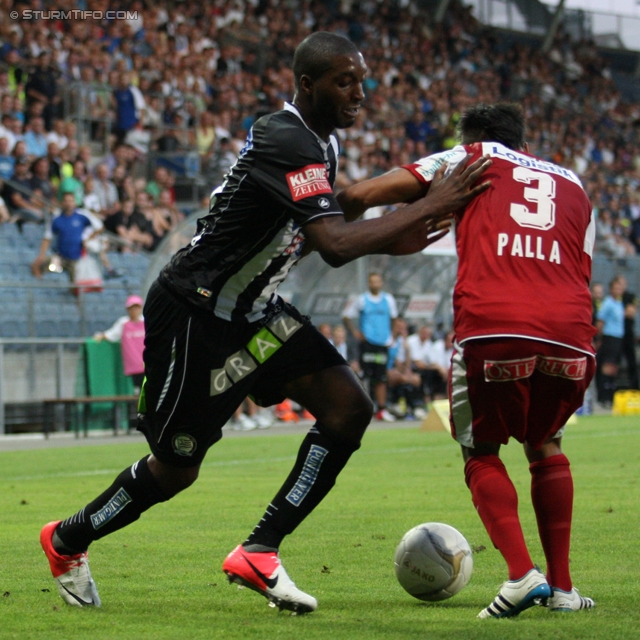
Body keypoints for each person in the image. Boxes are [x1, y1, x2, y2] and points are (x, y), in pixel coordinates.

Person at [39, 32, 489, 613]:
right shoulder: (286, 137)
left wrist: (394, 232)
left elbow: (313, 227)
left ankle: (260, 549)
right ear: (307, 84)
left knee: (349, 407)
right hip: (195, 315)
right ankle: (66, 539)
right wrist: (427, 203)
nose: (359, 93)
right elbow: (332, 244)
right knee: (175, 470)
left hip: (254, 313)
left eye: (362, 80)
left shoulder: (315, 145)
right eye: (344, 81)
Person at [337, 103, 595, 617]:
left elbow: (361, 196)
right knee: (546, 445)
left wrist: (336, 213)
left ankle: (523, 576)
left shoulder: (471, 156)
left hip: (495, 324)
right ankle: (563, 590)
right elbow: (579, 263)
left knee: (480, 449)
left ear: (472, 136)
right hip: (571, 332)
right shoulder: (575, 184)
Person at [343, 272, 398, 422]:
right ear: (369, 283)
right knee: (364, 376)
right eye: (372, 281)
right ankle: (362, 409)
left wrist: (391, 336)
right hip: (367, 343)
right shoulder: (362, 300)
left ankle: (381, 410)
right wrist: (355, 332)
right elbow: (346, 316)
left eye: (377, 281)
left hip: (382, 344)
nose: (375, 284)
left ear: (381, 283)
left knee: (381, 378)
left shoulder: (388, 299)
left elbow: (395, 318)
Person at [32, 192, 100, 281]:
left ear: (75, 202)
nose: (69, 203)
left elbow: (99, 227)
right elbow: (47, 237)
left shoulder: (82, 215)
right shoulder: (56, 218)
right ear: (62, 203)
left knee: (75, 283)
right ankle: (40, 286)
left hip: (77, 258)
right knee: (38, 266)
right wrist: (41, 255)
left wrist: (87, 238)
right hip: (60, 257)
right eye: (66, 201)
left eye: (71, 201)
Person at [94, 295, 146, 391]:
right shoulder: (123, 323)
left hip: (147, 363)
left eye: (136, 307)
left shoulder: (147, 322)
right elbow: (112, 334)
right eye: (131, 308)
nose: (134, 310)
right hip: (132, 364)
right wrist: (101, 336)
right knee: (136, 389)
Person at [595, 275, 626, 406]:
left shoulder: (619, 303)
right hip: (609, 337)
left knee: (613, 367)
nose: (618, 290)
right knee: (607, 367)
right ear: (611, 289)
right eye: (615, 288)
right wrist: (599, 338)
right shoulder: (608, 303)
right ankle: (604, 396)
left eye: (620, 288)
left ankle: (610, 395)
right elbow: (600, 322)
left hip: (618, 338)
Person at [619, 275, 638, 390]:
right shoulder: (613, 299)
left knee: (632, 363)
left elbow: (630, 313)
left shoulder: (629, 296)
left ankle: (635, 389)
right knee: (612, 364)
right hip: (615, 335)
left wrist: (616, 312)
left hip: (628, 334)